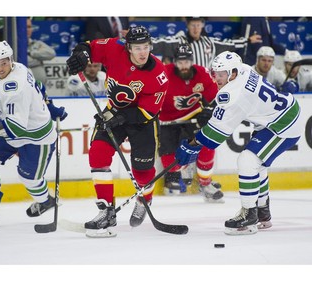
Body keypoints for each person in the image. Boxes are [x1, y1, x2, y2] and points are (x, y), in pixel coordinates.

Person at [175, 51, 303, 235]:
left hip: (283, 126)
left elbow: (214, 136)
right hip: (278, 115)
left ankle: (249, 216)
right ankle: (262, 212)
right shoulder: (243, 69)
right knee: (257, 164)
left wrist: (191, 144)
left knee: (248, 161)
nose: (217, 79)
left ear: (233, 73)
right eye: (215, 74)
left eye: (222, 74)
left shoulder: (233, 95)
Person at [66, 25, 169, 237]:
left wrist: (118, 118)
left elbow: (148, 112)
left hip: (141, 120)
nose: (142, 52)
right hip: (113, 111)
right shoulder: (114, 48)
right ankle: (106, 211)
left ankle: (144, 198)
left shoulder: (158, 73)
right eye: (137, 47)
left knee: (142, 171)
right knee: (98, 154)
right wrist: (80, 54)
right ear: (128, 47)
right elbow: (88, 47)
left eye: (146, 47)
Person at [0, 40, 68, 227]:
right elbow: (38, 87)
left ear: (11, 59)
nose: (0, 68)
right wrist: (50, 106)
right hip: (11, 128)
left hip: (36, 136)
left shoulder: (14, 86)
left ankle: (46, 201)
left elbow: (17, 128)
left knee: (29, 178)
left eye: (4, 63)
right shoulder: (20, 68)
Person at [159, 43, 223, 203]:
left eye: (187, 62)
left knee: (208, 144)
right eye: (180, 62)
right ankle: (184, 166)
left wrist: (209, 110)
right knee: (171, 164)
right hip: (167, 121)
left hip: (193, 116)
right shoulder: (164, 74)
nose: (184, 66)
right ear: (174, 62)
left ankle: (205, 184)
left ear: (191, 60)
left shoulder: (202, 73)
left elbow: (216, 97)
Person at [152, 17, 262, 69]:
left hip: (205, 86)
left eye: (198, 25)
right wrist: (141, 43)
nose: (195, 29)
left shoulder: (210, 42)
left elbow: (229, 44)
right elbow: (160, 43)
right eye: (193, 25)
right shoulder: (178, 41)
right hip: (184, 85)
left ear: (202, 26)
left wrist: (247, 40)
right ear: (187, 26)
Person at [27, 18, 56, 84]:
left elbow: (52, 53)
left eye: (29, 27)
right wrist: (38, 59)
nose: (27, 30)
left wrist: (32, 53)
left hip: (40, 89)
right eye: (24, 27)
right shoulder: (14, 45)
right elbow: (24, 62)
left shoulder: (37, 43)